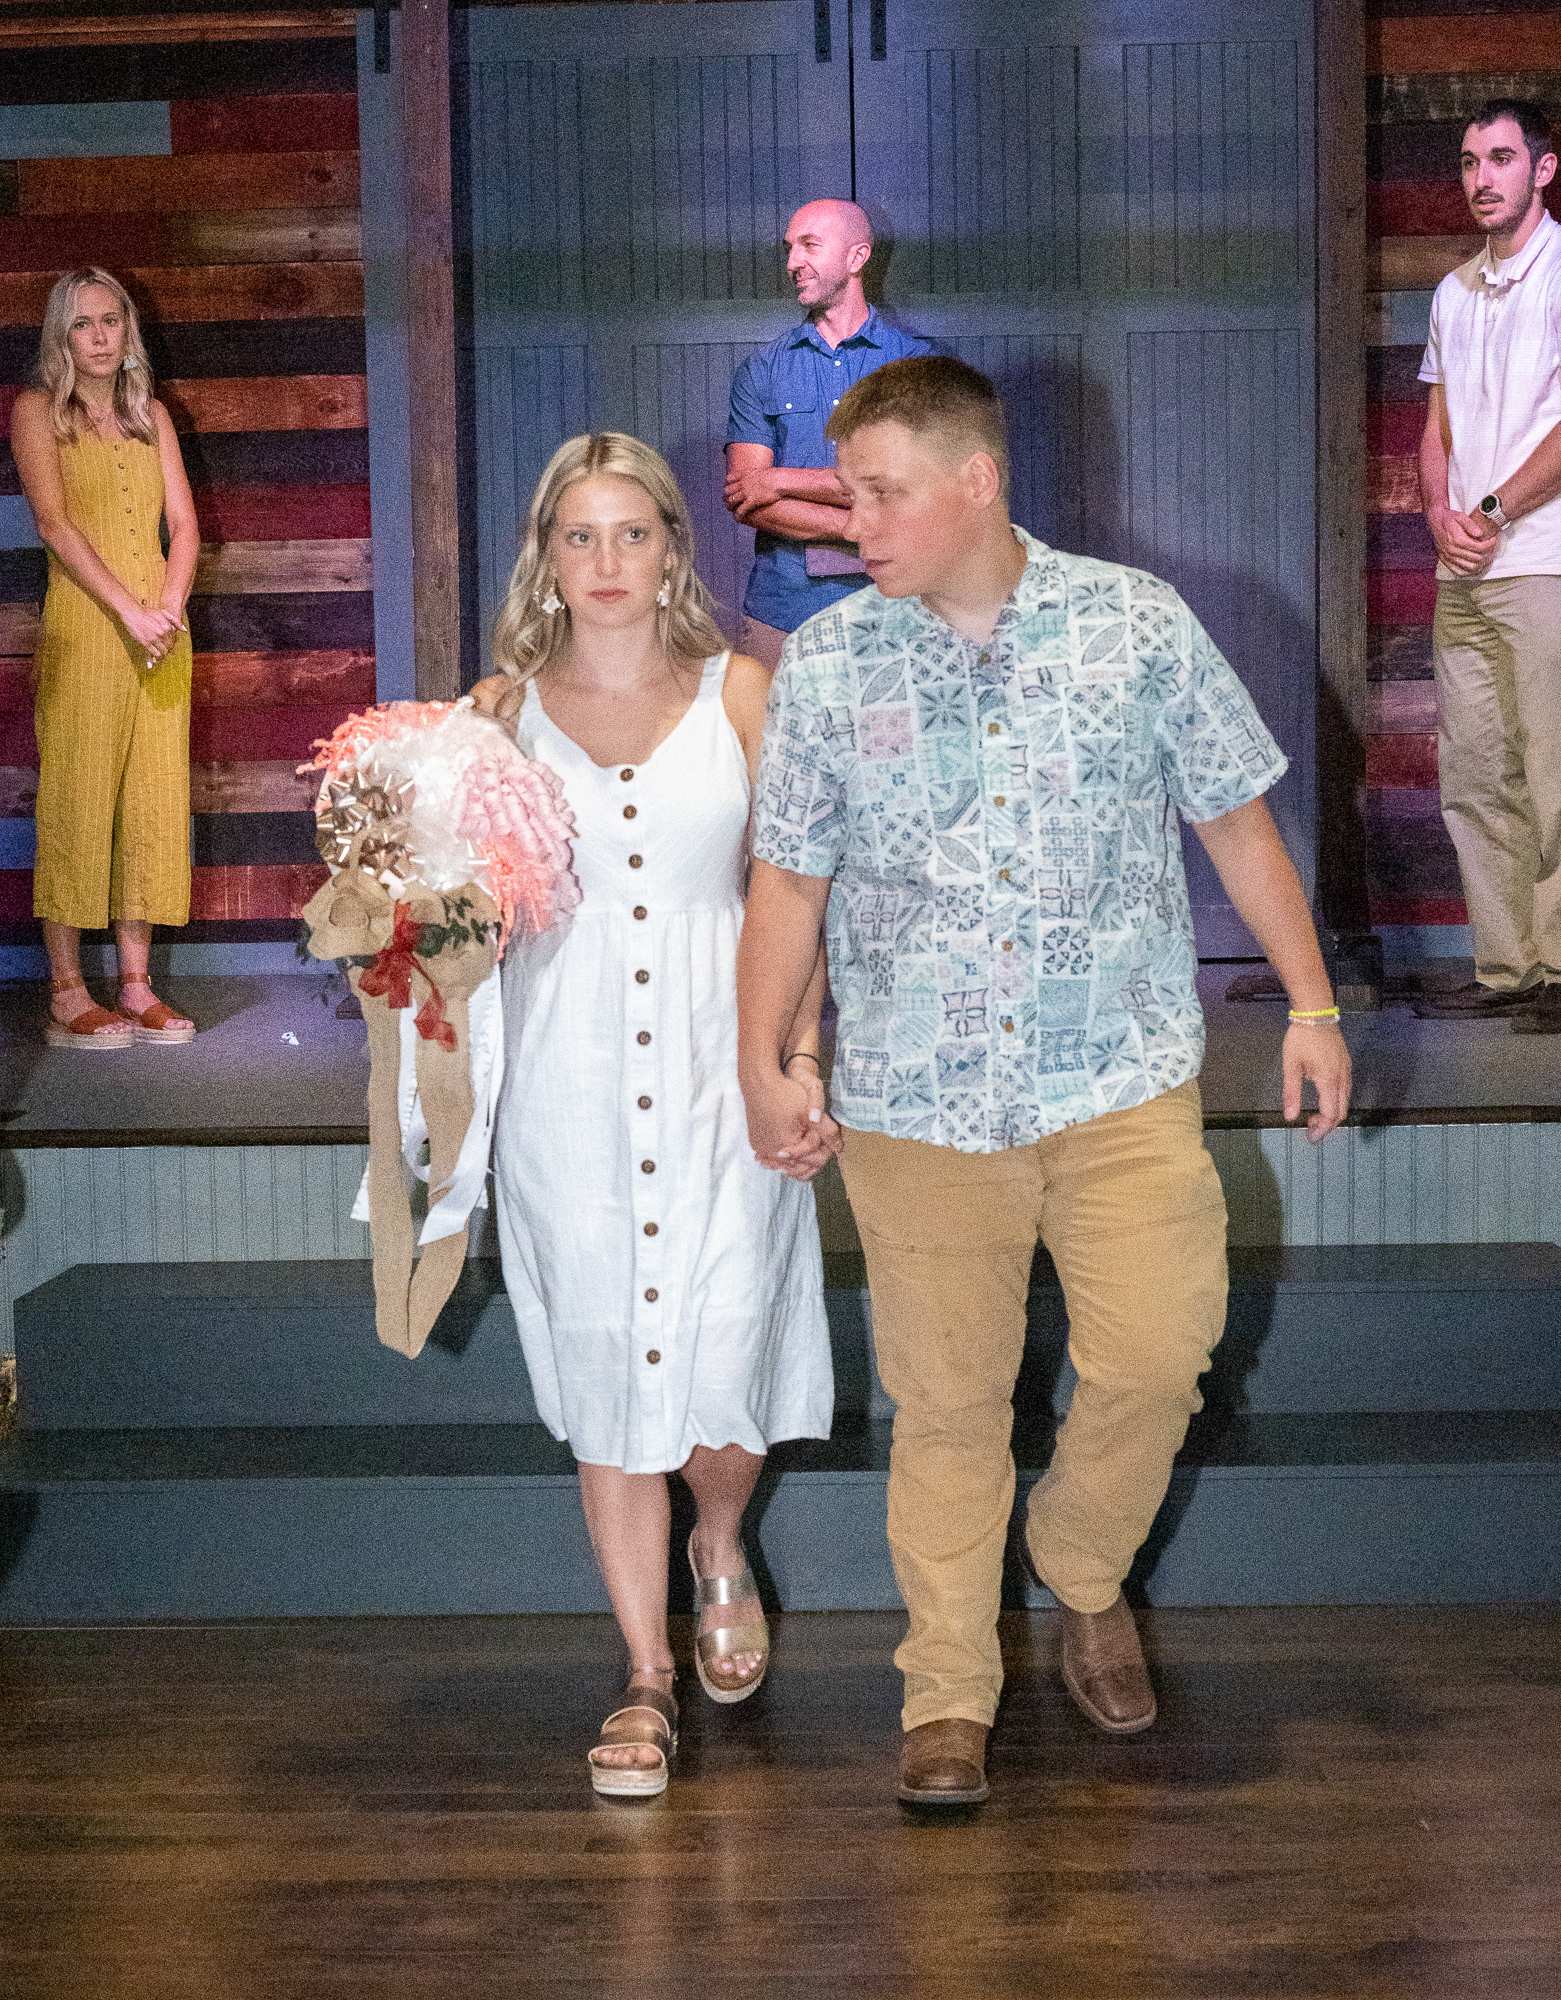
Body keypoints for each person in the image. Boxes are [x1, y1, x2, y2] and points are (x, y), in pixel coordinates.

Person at [736, 357, 1352, 1810]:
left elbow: (1238, 824)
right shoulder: (826, 663)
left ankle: (1079, 1566)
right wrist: (764, 1061)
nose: (852, 524)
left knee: (1157, 1353)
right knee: (946, 1406)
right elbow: (787, 885)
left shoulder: (1134, 623)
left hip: (1117, 1075)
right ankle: (946, 1691)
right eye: (848, 495)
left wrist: (1313, 1005)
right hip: (914, 1098)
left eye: (881, 495)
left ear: (977, 481)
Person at [470, 433, 837, 1799]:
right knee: (608, 1373)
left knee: (725, 1352)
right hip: (561, 1077)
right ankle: (642, 1670)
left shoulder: (744, 693)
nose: (607, 561)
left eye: (633, 532)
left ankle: (719, 1537)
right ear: (546, 558)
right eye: (580, 536)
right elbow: (458, 918)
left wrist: (798, 1057)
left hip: (719, 1061)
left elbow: (800, 888)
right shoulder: (494, 717)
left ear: (676, 549)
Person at [11, 266, 197, 1048]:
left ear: (127, 330)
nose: (98, 336)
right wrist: (129, 611)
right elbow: (53, 525)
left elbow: (183, 526)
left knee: (151, 802)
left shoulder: (152, 415)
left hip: (161, 635)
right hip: (88, 629)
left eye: (110, 320)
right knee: (78, 801)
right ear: (61, 336)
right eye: (82, 323)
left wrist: (168, 609)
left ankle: (136, 984)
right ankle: (66, 990)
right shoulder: (35, 412)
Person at [1416, 100, 1561, 1031]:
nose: (1481, 178)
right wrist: (1440, 514)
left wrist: (1493, 510)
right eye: (1470, 162)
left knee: (1554, 770)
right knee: (1474, 775)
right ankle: (1507, 967)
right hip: (1463, 570)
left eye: (1501, 158)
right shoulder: (1453, 290)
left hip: (1542, 560)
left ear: (1542, 169)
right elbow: (1435, 428)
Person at [724, 199, 932, 671]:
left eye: (809, 245)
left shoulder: (916, 365)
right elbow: (746, 497)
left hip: (898, 613)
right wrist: (864, 527)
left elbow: (909, 486)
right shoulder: (763, 369)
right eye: (789, 248)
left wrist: (779, 480)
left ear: (857, 257)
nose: (793, 262)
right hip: (783, 615)